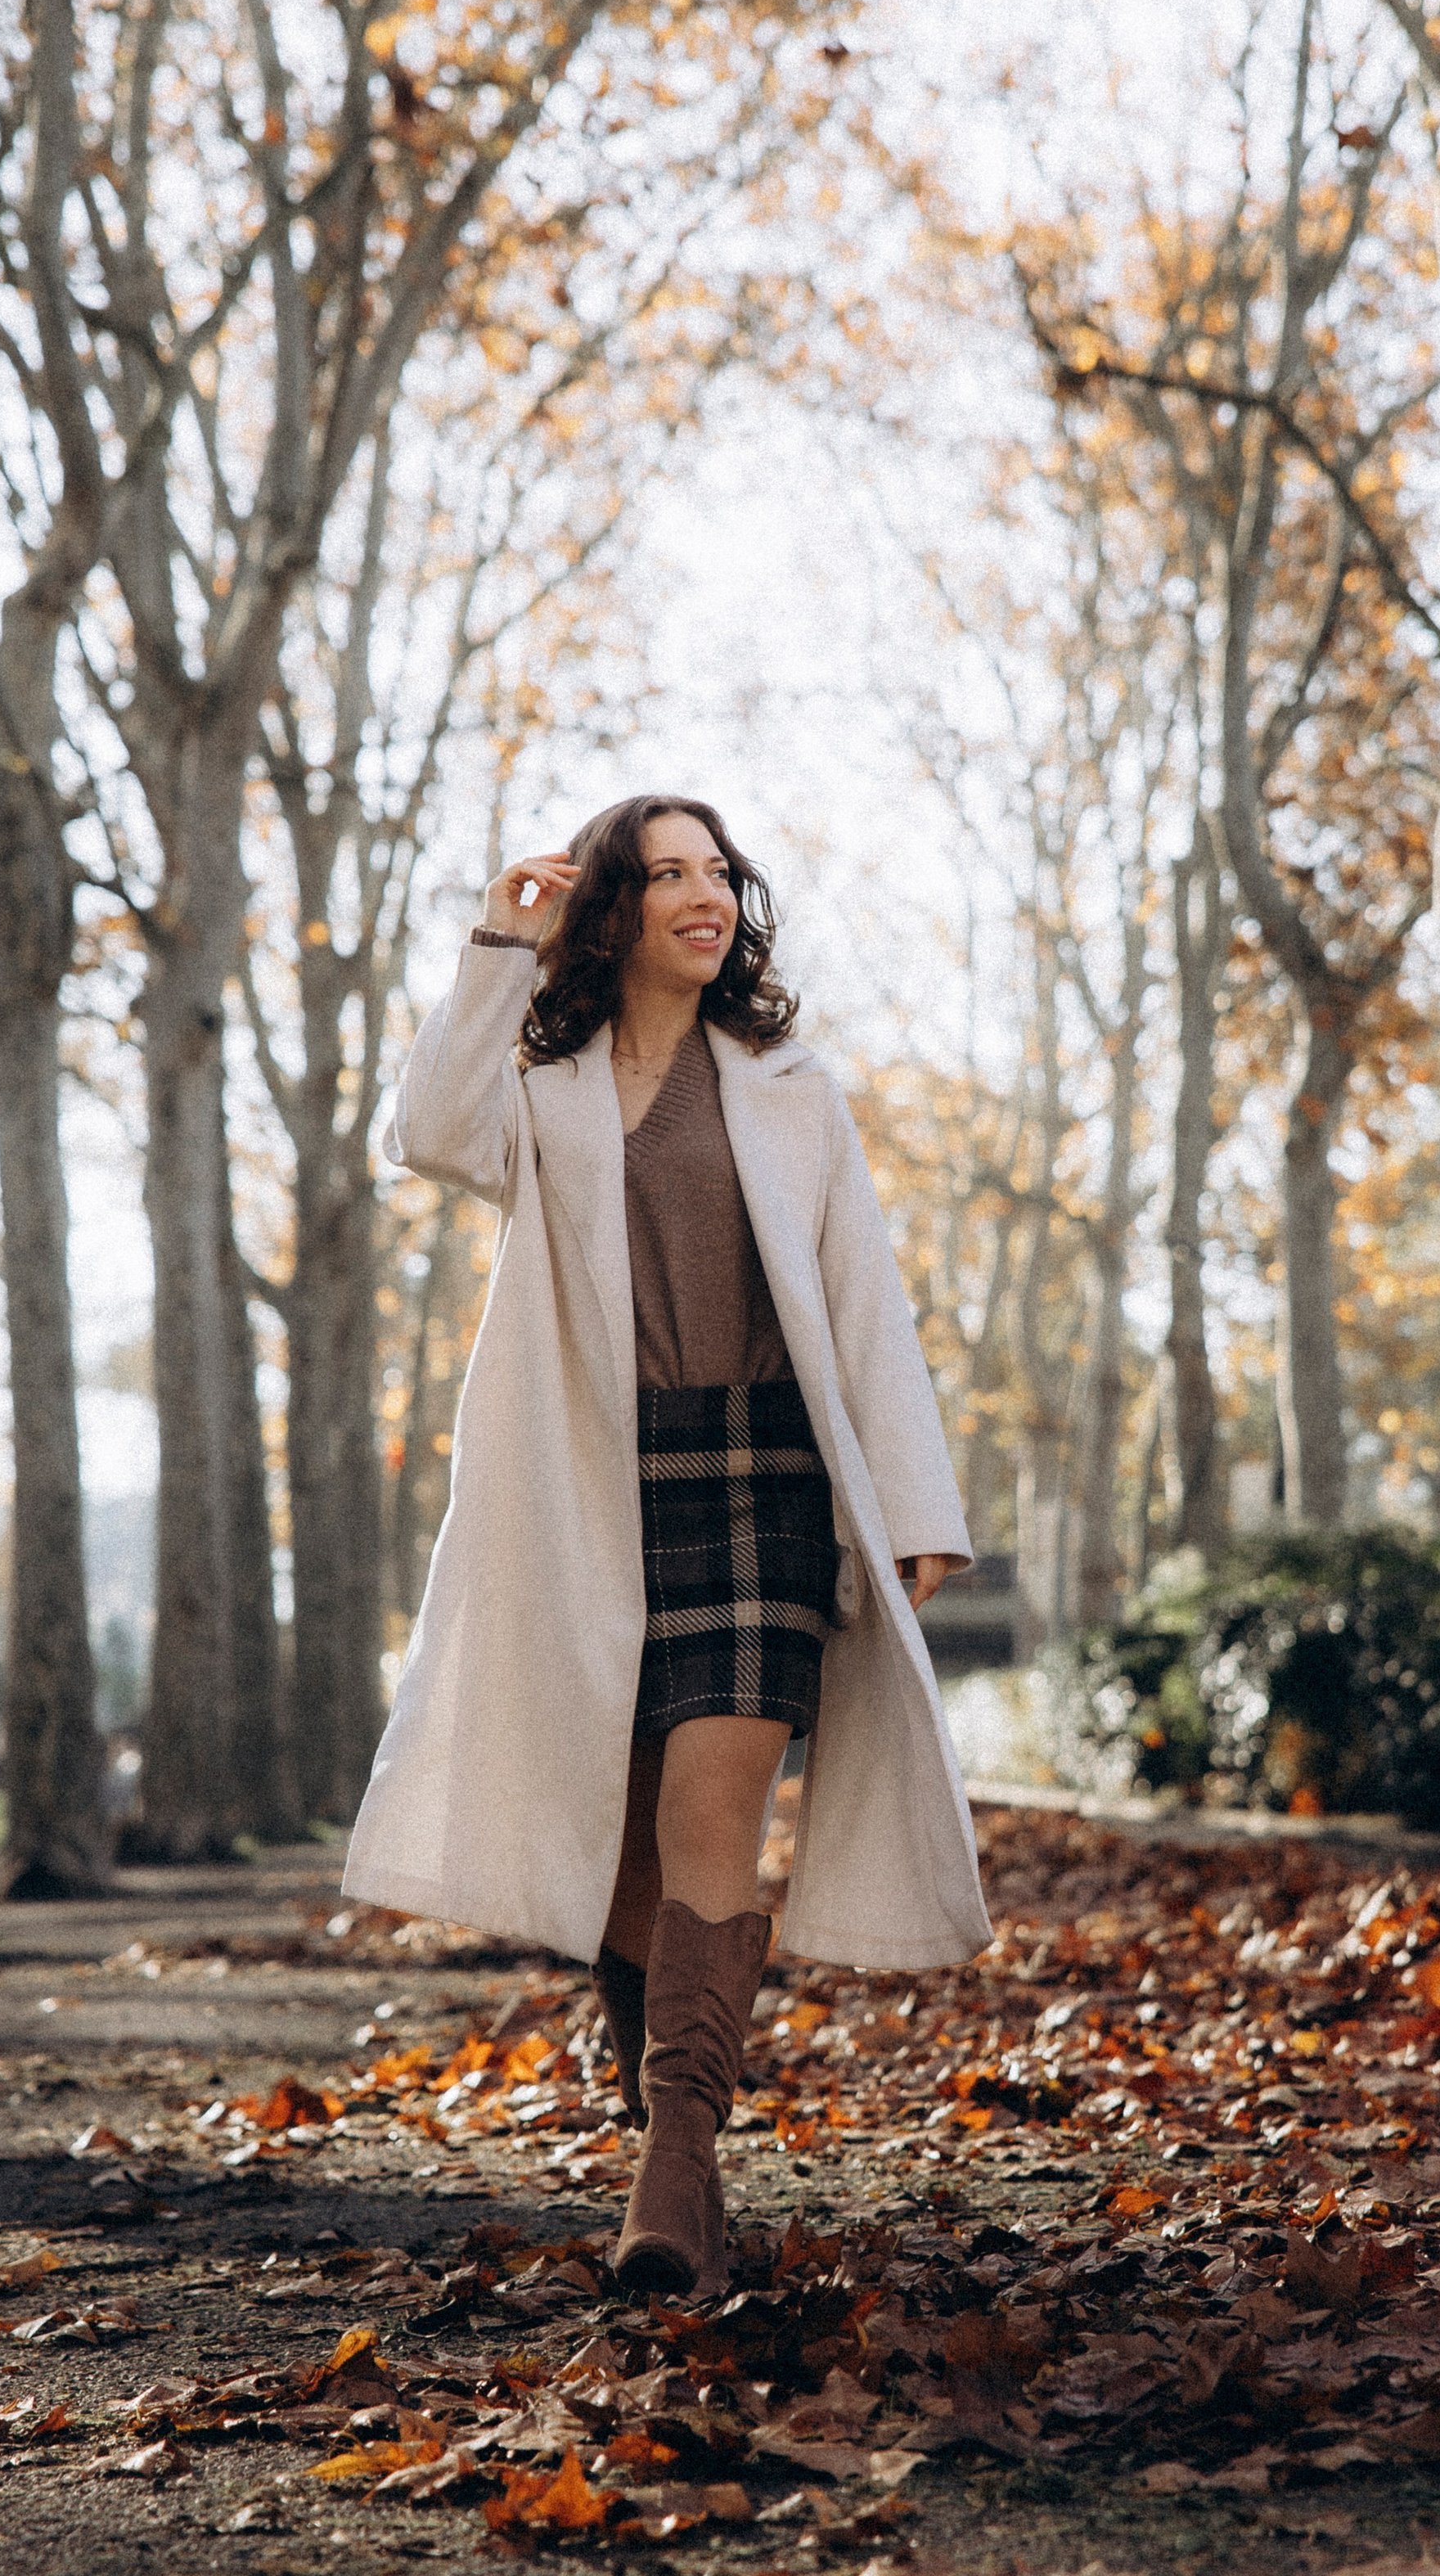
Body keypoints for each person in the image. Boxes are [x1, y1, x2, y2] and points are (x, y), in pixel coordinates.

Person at [343, 795, 992, 2297]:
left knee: (714, 1817)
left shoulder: (786, 1086)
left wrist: (914, 1507)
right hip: (598, 1492)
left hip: (767, 1477)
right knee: (622, 1850)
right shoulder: (545, 1088)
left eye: (721, 873)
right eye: (669, 875)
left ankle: (675, 2172)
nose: (706, 897)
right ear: (612, 912)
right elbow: (423, 1133)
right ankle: (672, 2145)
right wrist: (502, 940)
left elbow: (864, 1298)